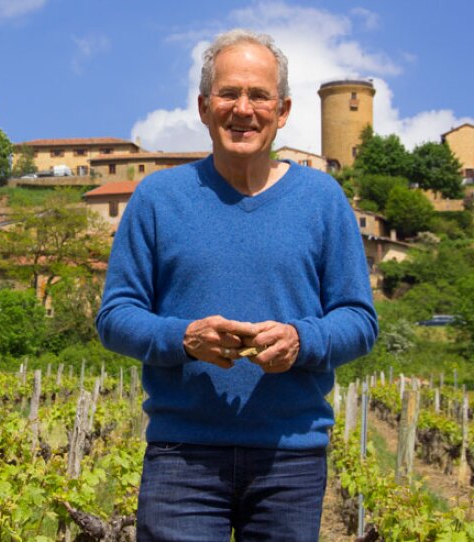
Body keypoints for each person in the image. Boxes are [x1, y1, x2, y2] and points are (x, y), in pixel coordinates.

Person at [95, 29, 377, 541]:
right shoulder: (158, 199)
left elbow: (359, 321)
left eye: (258, 95)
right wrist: (183, 339)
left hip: (290, 459)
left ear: (284, 109)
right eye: (228, 94)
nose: (242, 109)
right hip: (182, 458)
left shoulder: (322, 199)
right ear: (204, 107)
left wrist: (302, 341)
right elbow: (115, 316)